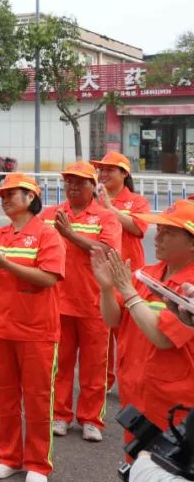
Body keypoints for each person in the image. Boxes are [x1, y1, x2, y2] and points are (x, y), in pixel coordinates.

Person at [0, 173, 65, 482]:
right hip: (1, 328)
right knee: (4, 398)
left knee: (38, 399)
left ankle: (38, 464)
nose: (3, 200)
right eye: (1, 195)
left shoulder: (47, 235)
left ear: (31, 197)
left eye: (10, 194)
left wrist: (6, 265)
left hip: (37, 330)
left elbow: (49, 278)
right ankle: (10, 456)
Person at [92, 199, 194, 433]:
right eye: (159, 230)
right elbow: (113, 319)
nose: (157, 238)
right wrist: (107, 288)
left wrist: (127, 291)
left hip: (173, 402)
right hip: (136, 388)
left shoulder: (190, 287)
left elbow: (162, 338)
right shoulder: (147, 274)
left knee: (165, 464)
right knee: (135, 461)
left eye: (168, 233)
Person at [41, 161, 121, 441]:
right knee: (60, 365)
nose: (72, 186)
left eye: (79, 182)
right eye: (68, 181)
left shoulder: (105, 217)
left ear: (92, 186)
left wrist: (70, 235)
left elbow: (108, 250)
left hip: (94, 302)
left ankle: (91, 419)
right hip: (58, 303)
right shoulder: (51, 214)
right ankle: (60, 415)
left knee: (94, 366)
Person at [91, 151, 150, 393]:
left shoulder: (137, 201)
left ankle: (132, 379)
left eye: (109, 170)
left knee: (129, 336)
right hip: (102, 278)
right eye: (101, 170)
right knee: (101, 336)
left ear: (124, 174)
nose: (103, 174)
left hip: (128, 279)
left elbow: (138, 228)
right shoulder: (92, 201)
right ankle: (104, 382)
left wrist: (108, 208)